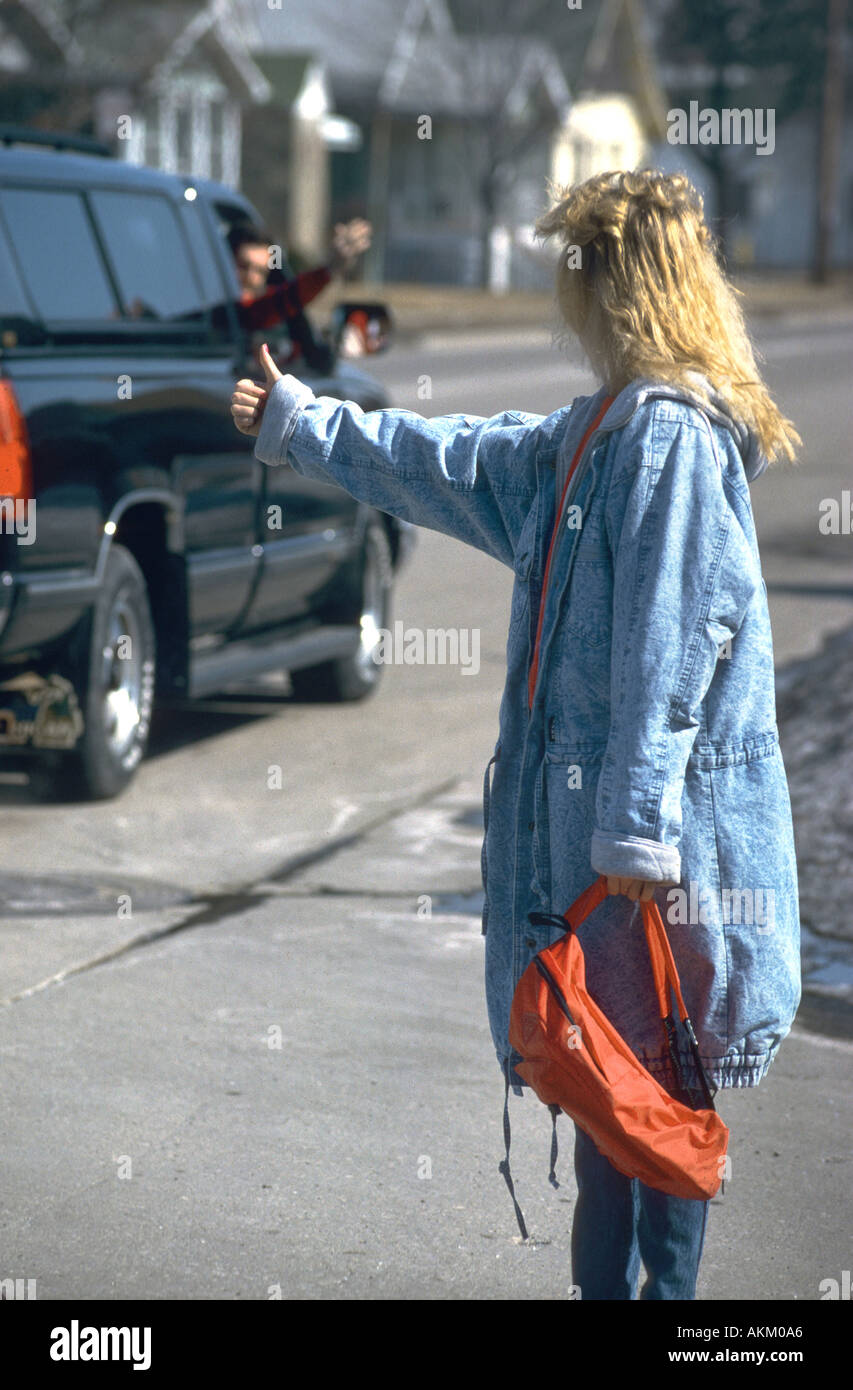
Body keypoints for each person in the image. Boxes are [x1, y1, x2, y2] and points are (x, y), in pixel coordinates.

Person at [230, 169, 802, 1300]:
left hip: (652, 866)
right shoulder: (591, 434)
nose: (561, 302)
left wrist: (636, 836)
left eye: (571, 276)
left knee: (660, 1125)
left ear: (616, 285)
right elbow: (451, 462)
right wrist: (307, 422)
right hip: (600, 859)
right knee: (607, 1111)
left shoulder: (671, 441)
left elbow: (670, 650)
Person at [226, 220, 371, 367]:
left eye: (261, 272)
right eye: (243, 266)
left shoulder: (267, 321)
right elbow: (280, 301)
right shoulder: (220, 312)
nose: (252, 279)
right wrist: (327, 271)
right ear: (222, 262)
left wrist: (331, 268)